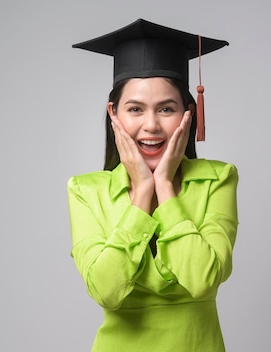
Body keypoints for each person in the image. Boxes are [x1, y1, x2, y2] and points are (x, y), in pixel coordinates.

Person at [67, 19, 238, 352]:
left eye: (166, 109)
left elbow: (203, 279)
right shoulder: (85, 191)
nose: (151, 125)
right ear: (114, 114)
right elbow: (107, 291)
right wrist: (143, 191)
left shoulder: (218, 179)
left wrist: (165, 186)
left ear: (188, 113)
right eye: (135, 109)